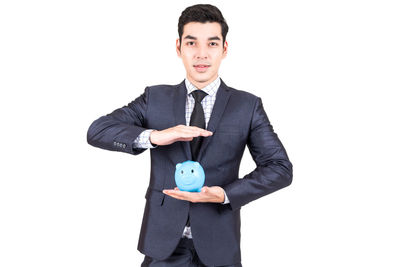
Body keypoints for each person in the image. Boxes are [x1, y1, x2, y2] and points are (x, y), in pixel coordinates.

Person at [87, 4, 293, 267]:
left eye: (212, 44)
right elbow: (98, 130)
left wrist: (224, 194)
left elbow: (280, 169)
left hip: (219, 245)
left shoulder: (247, 106)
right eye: (192, 43)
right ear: (178, 47)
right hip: (162, 246)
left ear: (224, 49)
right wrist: (153, 136)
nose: (202, 54)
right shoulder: (155, 98)